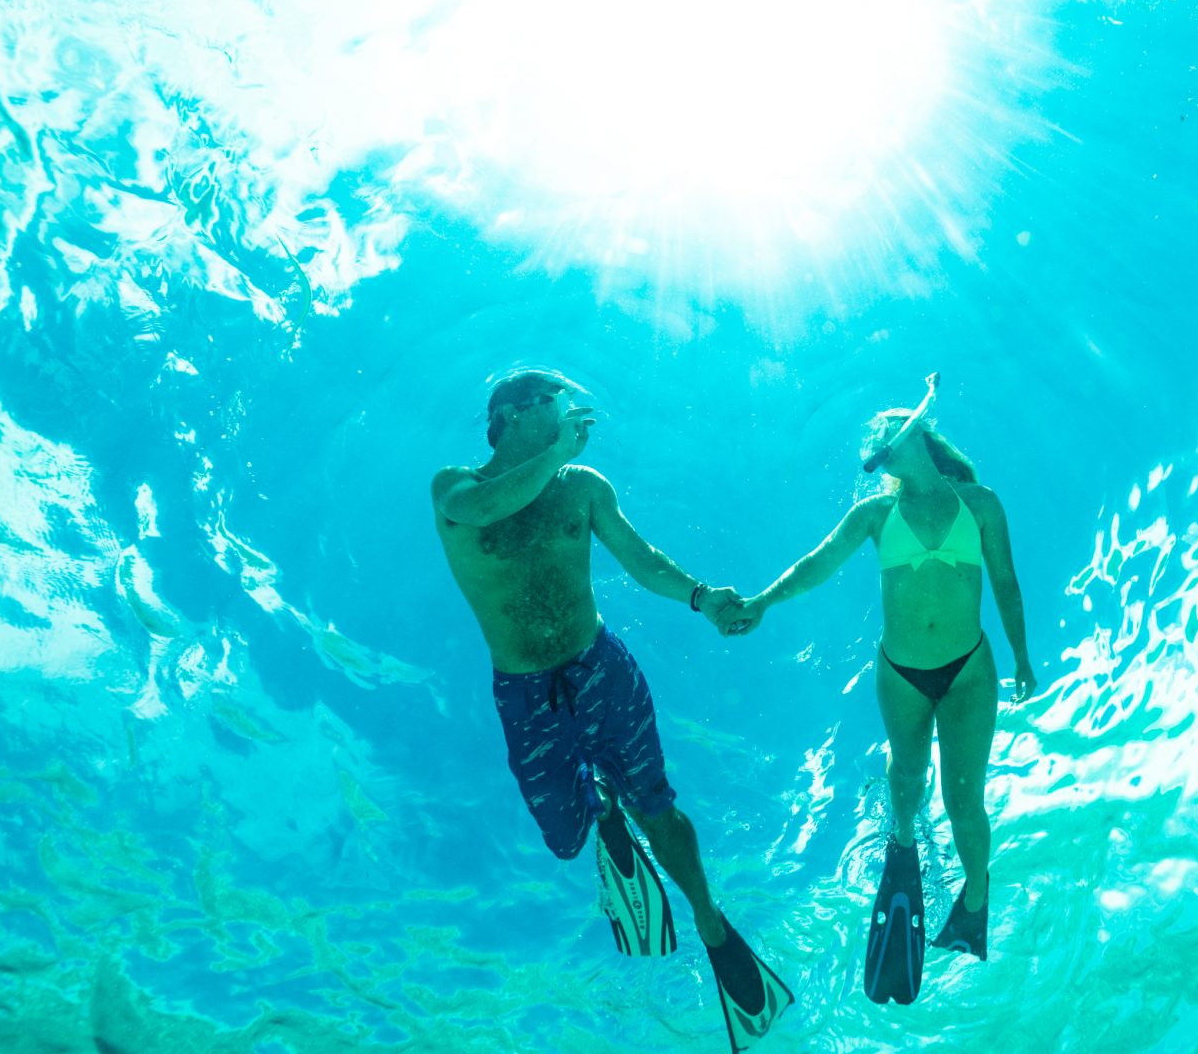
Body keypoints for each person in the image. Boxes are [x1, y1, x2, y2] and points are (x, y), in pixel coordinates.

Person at [430, 369, 792, 1052]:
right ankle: (599, 806)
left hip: (601, 668)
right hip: (526, 695)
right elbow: (481, 512)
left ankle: (711, 923)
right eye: (556, 404)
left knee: (657, 805)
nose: (571, 414)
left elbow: (640, 558)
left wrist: (702, 596)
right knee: (564, 839)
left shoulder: (584, 486)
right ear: (513, 413)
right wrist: (554, 454)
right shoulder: (455, 485)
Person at [732, 381, 1034, 1004]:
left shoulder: (980, 503)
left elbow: (1005, 581)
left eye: (887, 434)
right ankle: (902, 843)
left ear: (919, 434)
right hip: (901, 675)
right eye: (873, 442)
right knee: (908, 781)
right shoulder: (874, 514)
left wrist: (1023, 660)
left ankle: (974, 902)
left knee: (962, 799)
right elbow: (816, 563)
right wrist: (762, 600)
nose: (877, 446)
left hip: (970, 670)